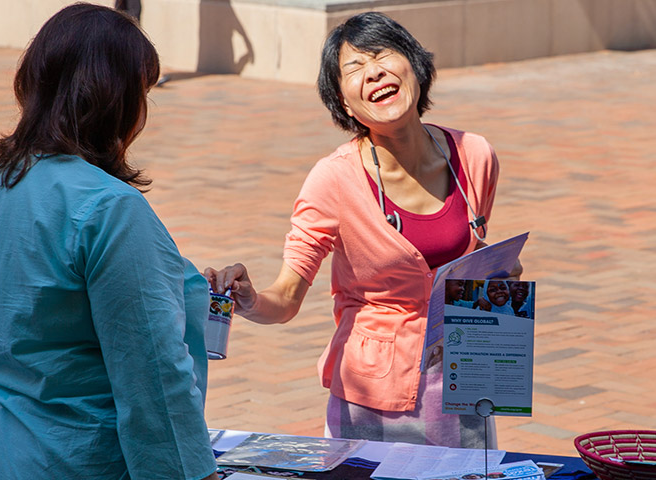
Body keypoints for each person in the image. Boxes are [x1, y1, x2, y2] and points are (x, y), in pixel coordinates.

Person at [206, 12, 518, 448]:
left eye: (383, 55)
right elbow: (287, 298)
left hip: (464, 378)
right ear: (344, 103)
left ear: (415, 65)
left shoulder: (475, 156)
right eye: (353, 69)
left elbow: (475, 256)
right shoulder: (332, 180)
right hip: (374, 396)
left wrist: (500, 277)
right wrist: (250, 299)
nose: (373, 71)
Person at [0, 4, 218, 479]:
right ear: (115, 97)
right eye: (142, 92)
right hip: (76, 459)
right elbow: (154, 380)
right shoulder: (109, 209)